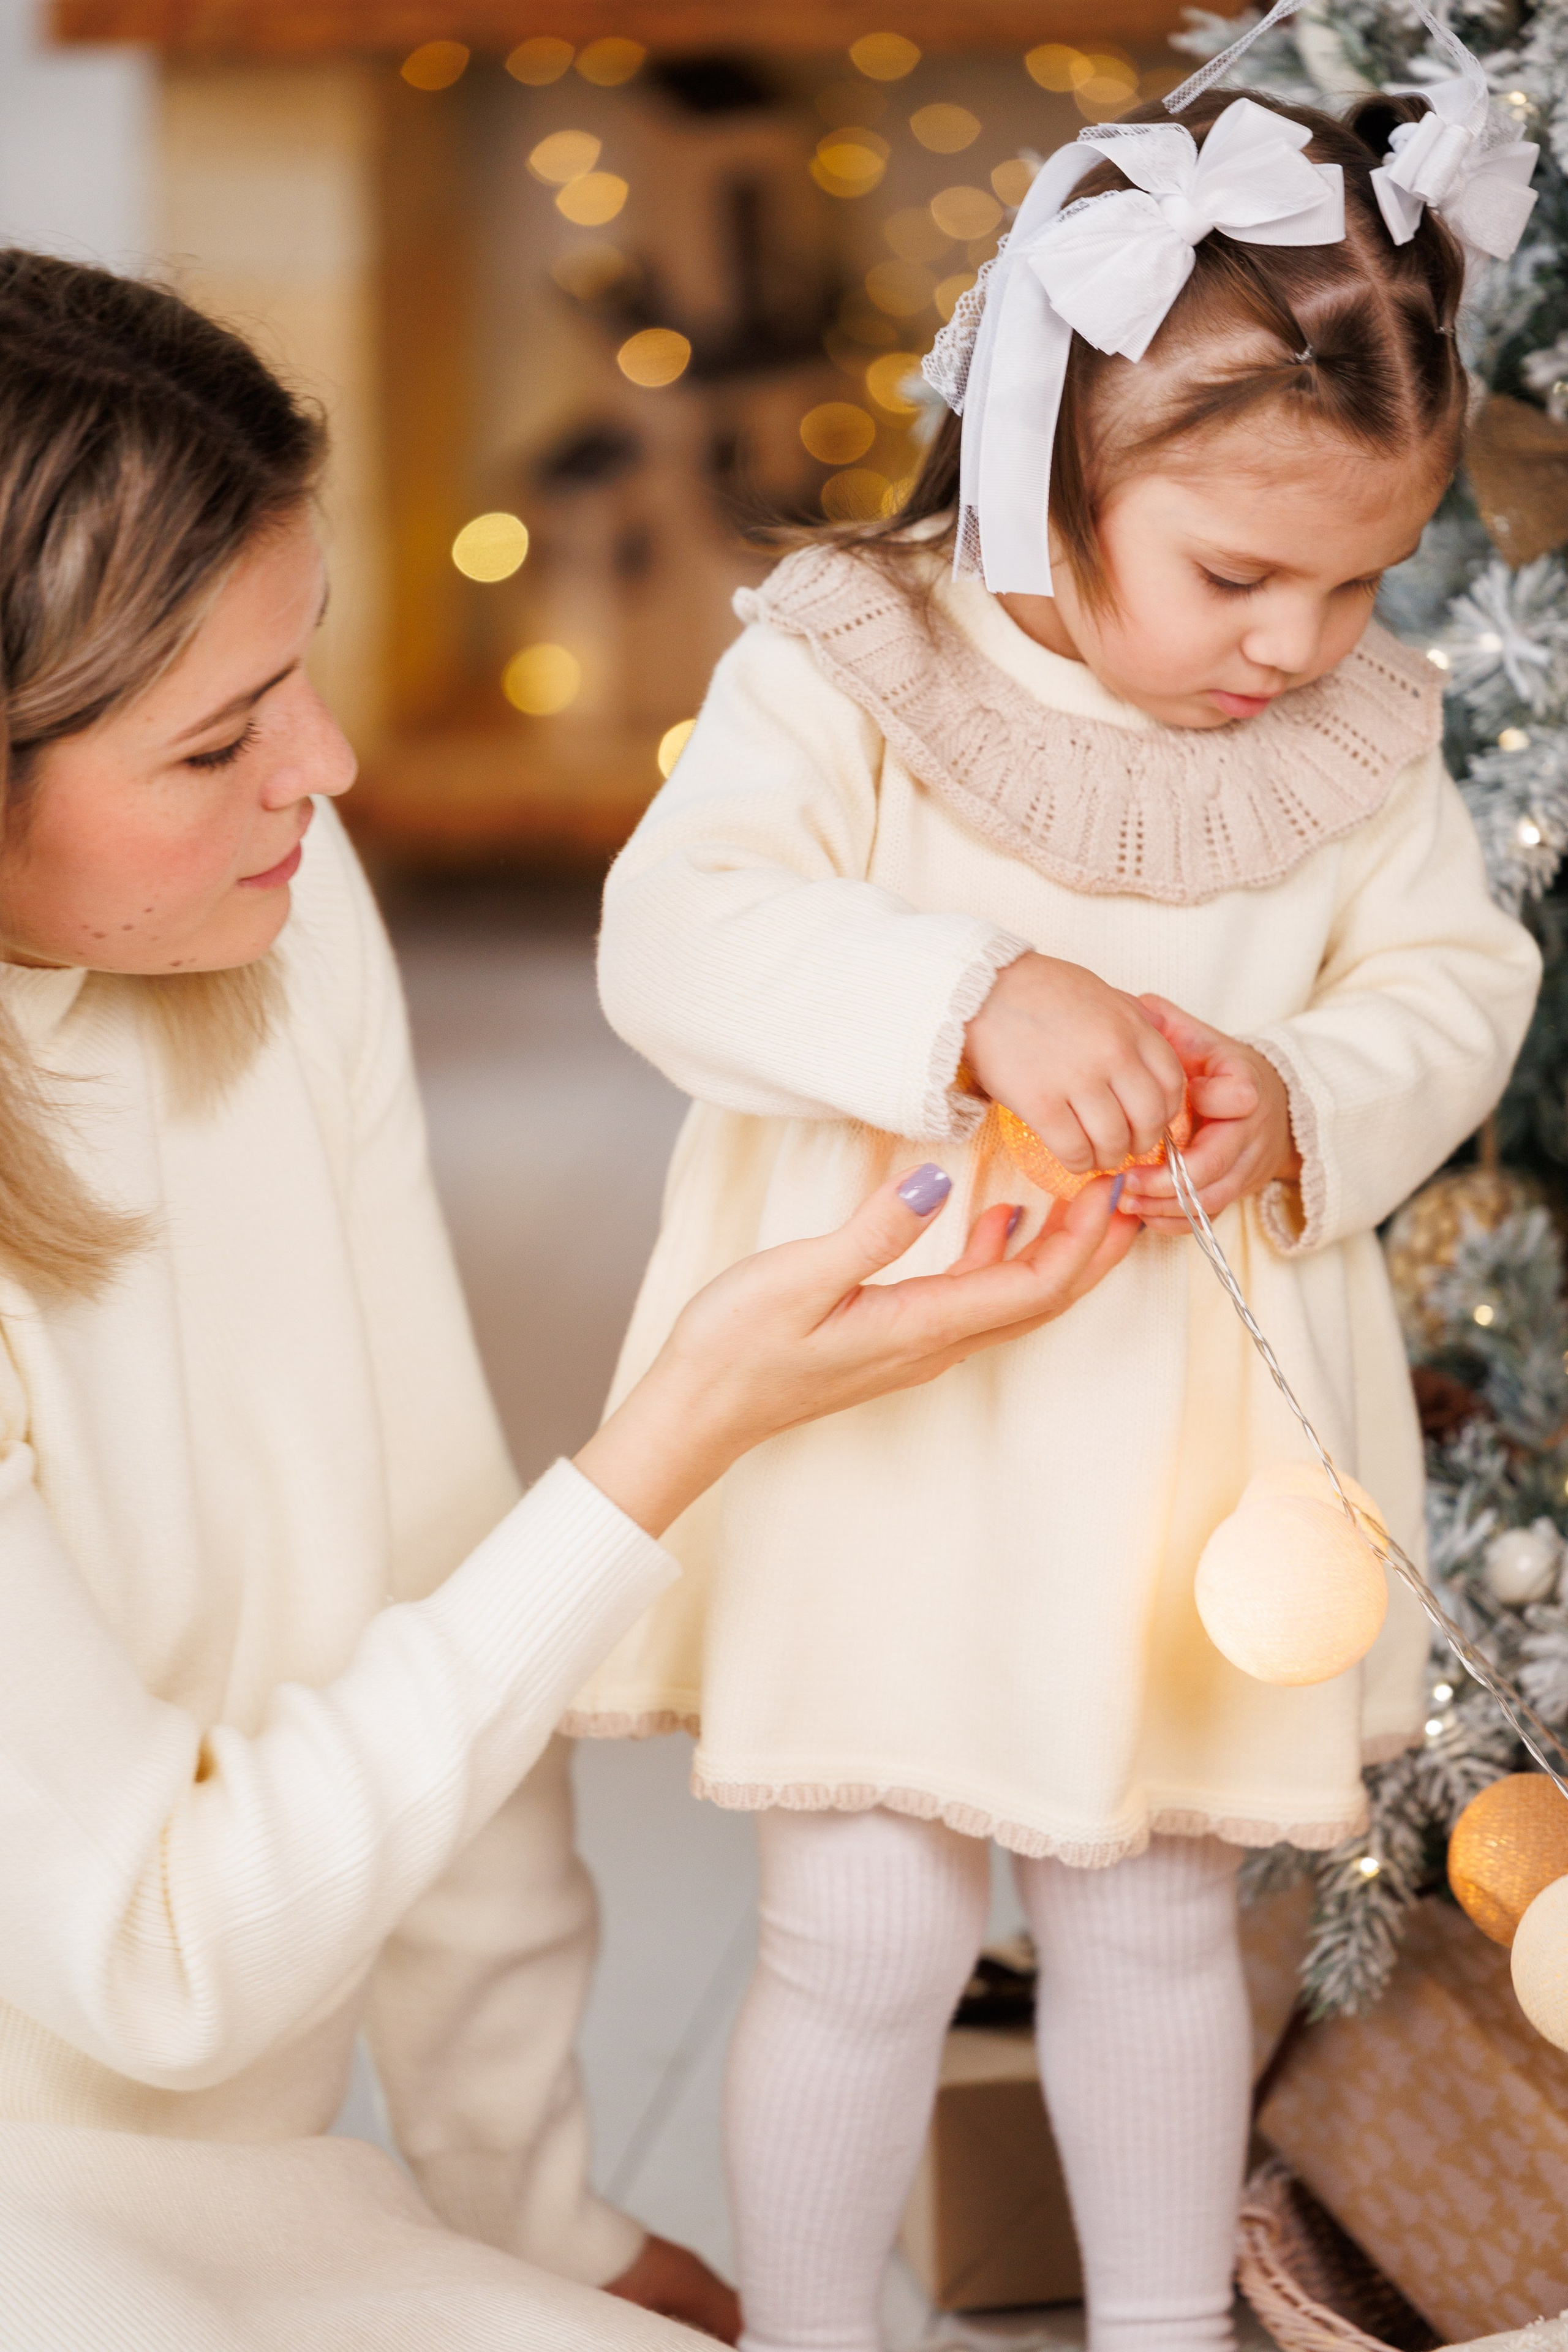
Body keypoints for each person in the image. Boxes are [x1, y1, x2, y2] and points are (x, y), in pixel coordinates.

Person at [0, 249, 1138, 2352]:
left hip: (241, 2194)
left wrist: (535, 2213)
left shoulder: (274, 908)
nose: (326, 772)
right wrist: (673, 1437)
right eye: (217, 741)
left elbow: (418, 1546)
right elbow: (160, 1958)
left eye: (307, 666)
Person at [573, 25, 1545, 2352]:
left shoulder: (1355, 737)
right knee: (870, 1929)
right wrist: (970, 994)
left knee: (1139, 1931)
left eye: (1365, 581)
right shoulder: (857, 664)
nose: (1297, 645)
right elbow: (675, 934)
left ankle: (1156, 2333)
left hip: (1184, 1463)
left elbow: (1453, 978)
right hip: (890, 1435)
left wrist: (1298, 1086)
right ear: (1045, 454)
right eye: (1237, 574)